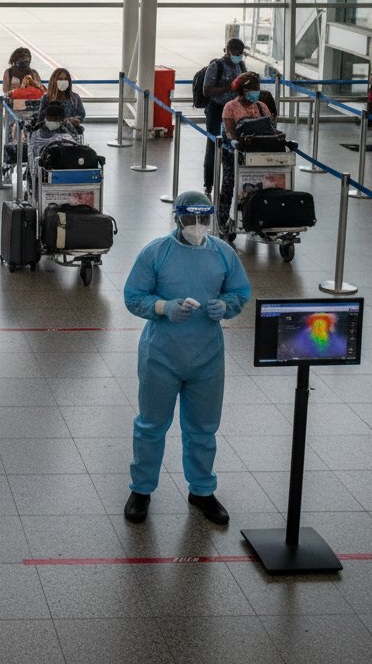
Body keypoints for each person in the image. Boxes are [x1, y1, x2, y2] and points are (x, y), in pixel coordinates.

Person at [122, 190, 251, 526]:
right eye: (190, 219)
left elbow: (239, 292)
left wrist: (225, 306)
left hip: (207, 356)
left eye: (202, 219)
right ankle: (141, 490)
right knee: (151, 426)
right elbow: (134, 296)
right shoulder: (156, 254)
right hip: (161, 354)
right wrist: (164, 307)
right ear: (177, 218)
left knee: (203, 429)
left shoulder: (223, 253)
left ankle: (202, 490)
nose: (196, 226)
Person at [218, 71, 273, 232]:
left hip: (257, 155)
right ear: (243, 90)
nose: (257, 92)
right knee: (229, 186)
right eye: (254, 89)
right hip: (233, 154)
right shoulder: (230, 107)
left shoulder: (262, 107)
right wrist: (235, 142)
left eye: (258, 88)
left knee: (260, 186)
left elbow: (270, 129)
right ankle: (223, 221)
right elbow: (228, 130)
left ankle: (257, 218)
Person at [201, 38, 247, 199]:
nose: (238, 56)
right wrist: (228, 87)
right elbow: (206, 91)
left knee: (234, 144)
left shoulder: (240, 65)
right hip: (217, 109)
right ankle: (208, 184)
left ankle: (231, 181)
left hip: (234, 109)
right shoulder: (216, 66)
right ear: (227, 51)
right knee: (213, 145)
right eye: (235, 53)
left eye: (241, 53)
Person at [27, 100, 80, 170]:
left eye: (55, 119)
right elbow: (32, 152)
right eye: (49, 119)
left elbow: (75, 143)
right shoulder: (39, 130)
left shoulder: (67, 129)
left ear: (61, 119)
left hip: (65, 163)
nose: (51, 121)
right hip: (45, 164)